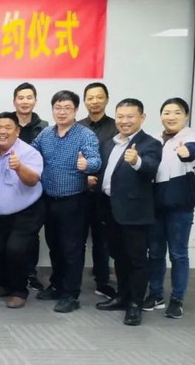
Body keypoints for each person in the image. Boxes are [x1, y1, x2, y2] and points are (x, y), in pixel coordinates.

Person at [32, 90, 101, 313]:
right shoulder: (46, 134)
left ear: (76, 110)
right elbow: (30, 153)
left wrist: (87, 166)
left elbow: (96, 160)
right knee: (54, 246)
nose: (62, 112)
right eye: (58, 108)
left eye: (67, 108)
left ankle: (71, 294)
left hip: (74, 201)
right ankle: (57, 285)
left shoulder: (85, 135)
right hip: (48, 199)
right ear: (52, 110)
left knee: (72, 249)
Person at [95, 99, 161, 326]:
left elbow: (151, 167)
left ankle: (135, 303)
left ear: (142, 117)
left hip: (134, 212)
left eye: (130, 116)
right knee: (118, 256)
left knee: (136, 259)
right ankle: (122, 296)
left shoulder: (150, 143)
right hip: (110, 208)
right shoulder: (109, 143)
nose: (124, 121)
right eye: (120, 116)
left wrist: (137, 161)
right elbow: (108, 173)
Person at [0, 112, 44, 309]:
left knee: (16, 250)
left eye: (8, 128)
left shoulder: (29, 153)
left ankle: (19, 291)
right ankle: (4, 283)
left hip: (26, 213)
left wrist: (19, 167)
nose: (2, 132)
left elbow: (33, 180)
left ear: (17, 131)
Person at [145, 98, 195, 319]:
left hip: (180, 206)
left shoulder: (191, 137)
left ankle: (177, 299)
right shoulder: (154, 139)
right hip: (155, 204)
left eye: (177, 112)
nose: (171, 116)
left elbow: (193, 151)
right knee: (155, 252)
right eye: (166, 112)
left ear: (186, 116)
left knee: (178, 254)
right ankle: (156, 294)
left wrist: (187, 152)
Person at [78, 82, 117, 300]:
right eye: (90, 98)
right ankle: (69, 280)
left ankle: (102, 282)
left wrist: (98, 180)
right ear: (85, 101)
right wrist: (85, 179)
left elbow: (117, 161)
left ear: (107, 99)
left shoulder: (116, 127)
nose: (95, 101)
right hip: (79, 191)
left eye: (99, 97)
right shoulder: (77, 127)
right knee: (76, 239)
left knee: (102, 240)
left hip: (105, 194)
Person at [12, 82, 48, 291]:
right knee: (10, 234)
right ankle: (8, 275)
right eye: (21, 98)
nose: (25, 102)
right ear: (14, 101)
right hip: (9, 188)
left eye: (29, 97)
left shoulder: (43, 127)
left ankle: (31, 273)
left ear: (35, 100)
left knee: (31, 234)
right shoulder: (7, 123)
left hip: (33, 188)